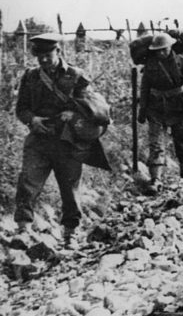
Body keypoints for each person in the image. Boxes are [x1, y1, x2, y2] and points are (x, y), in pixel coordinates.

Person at [14, 33, 111, 248]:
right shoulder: (30, 77)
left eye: (48, 55)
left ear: (58, 51)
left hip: (67, 141)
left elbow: (92, 108)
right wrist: (32, 119)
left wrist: (74, 115)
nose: (44, 60)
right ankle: (23, 229)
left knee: (69, 188)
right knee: (27, 181)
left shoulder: (76, 76)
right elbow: (21, 108)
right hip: (39, 139)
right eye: (40, 56)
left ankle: (70, 233)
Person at [137, 33, 183, 189]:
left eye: (163, 49)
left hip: (179, 107)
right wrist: (142, 109)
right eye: (157, 50)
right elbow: (145, 88)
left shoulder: (182, 62)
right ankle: (156, 179)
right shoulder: (150, 65)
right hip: (156, 109)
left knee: (182, 140)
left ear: (170, 47)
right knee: (156, 143)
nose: (160, 53)